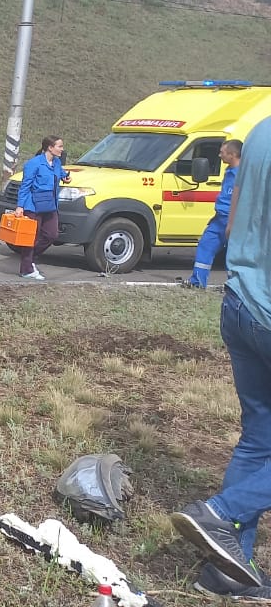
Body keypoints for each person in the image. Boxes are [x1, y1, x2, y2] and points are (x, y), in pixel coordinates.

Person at [170, 116, 271, 598]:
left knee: (258, 438)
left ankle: (230, 572)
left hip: (239, 301)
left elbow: (230, 223)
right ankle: (219, 513)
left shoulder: (260, 131)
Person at [13, 135, 70, 281]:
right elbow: (25, 186)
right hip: (33, 206)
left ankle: (29, 259)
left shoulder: (56, 163)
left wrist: (65, 177)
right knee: (30, 238)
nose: (62, 149)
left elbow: (61, 173)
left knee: (51, 235)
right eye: (60, 146)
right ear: (50, 148)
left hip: (50, 205)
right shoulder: (34, 164)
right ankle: (27, 269)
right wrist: (20, 206)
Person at [187, 139, 242, 289]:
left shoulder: (242, 175)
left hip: (235, 221)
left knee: (233, 256)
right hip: (219, 219)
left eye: (222, 152)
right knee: (205, 245)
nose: (219, 155)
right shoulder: (229, 171)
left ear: (233, 154)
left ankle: (234, 288)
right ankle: (197, 282)